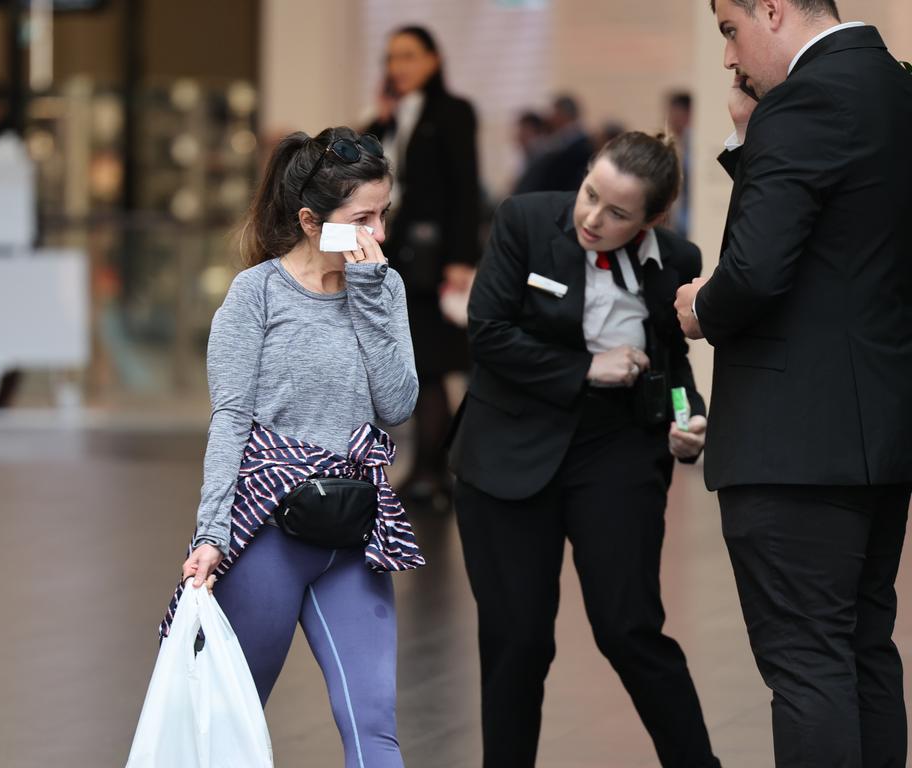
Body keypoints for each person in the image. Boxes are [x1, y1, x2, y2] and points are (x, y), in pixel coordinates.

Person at [674, 2, 912, 766]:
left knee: (807, 663)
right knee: (864, 648)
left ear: (772, 10)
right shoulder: (896, 88)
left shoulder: (808, 99)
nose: (727, 56)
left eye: (728, 29)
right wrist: (750, 136)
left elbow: (755, 270)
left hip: (795, 442)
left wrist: (700, 307)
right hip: (881, 428)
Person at [451, 132, 721, 768]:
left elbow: (672, 360)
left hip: (616, 449)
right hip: (509, 447)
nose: (592, 218)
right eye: (590, 194)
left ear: (653, 220)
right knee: (517, 641)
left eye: (617, 213)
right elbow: (488, 333)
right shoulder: (524, 221)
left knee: (629, 630)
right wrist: (585, 370)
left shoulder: (676, 259)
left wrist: (690, 421)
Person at [173, 126, 423, 768]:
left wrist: (369, 294)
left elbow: (397, 405)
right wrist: (209, 535)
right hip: (266, 537)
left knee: (375, 727)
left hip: (352, 531)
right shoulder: (254, 296)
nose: (379, 236)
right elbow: (229, 421)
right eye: (362, 219)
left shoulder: (383, 288)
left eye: (383, 215)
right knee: (229, 726)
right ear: (313, 222)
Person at [365, 25, 481, 507]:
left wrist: (460, 258)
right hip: (399, 260)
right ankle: (430, 472)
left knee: (429, 368)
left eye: (409, 56)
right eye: (393, 58)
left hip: (434, 263)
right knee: (417, 370)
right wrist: (382, 121)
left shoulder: (453, 112)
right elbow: (370, 170)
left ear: (433, 59)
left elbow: (465, 188)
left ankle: (434, 472)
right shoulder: (394, 117)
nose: (399, 67)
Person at [513, 94, 595, 195]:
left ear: (563, 114)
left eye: (554, 112)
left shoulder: (579, 145)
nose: (551, 118)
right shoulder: (563, 141)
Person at [665, 92, 692, 237]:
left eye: (673, 112)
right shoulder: (679, 141)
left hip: (688, 217)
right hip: (680, 217)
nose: (669, 118)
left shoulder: (692, 142)